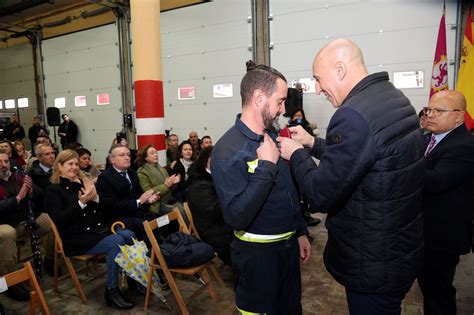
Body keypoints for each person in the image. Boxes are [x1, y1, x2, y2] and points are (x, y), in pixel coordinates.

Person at [278, 39, 425, 314]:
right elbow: (363, 155)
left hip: (372, 263)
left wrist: (297, 153)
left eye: (319, 80)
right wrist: (312, 143)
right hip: (398, 251)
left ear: (341, 69)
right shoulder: (392, 98)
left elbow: (320, 194)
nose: (318, 89)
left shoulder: (352, 115)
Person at [211, 60, 310, 314]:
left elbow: (288, 191)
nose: (283, 109)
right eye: (280, 101)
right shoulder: (227, 149)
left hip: (287, 250)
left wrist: (299, 230)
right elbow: (236, 216)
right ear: (258, 98)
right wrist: (266, 166)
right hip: (258, 258)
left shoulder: (273, 136)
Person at [44, 150, 136, 310]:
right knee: (117, 241)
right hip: (75, 237)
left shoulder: (81, 184)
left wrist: (95, 197)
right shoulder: (53, 190)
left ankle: (133, 278)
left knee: (129, 234)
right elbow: (61, 220)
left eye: (76, 164)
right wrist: (82, 202)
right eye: (70, 164)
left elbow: (101, 210)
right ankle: (111, 291)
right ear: (59, 166)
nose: (74, 167)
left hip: (95, 231)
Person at [417, 90, 474, 315]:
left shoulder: (464, 147)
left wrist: (404, 157)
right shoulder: (427, 138)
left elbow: (436, 181)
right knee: (429, 289)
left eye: (439, 111)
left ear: (459, 117)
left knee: (438, 294)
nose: (430, 115)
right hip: (423, 231)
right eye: (429, 109)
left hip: (442, 237)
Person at [0, 149, 55, 301]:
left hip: (26, 218)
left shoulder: (17, 175)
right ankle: (10, 283)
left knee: (50, 219)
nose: (3, 165)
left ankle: (50, 260)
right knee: (7, 234)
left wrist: (30, 191)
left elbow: (39, 193)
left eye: (5, 161)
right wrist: (18, 198)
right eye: (0, 162)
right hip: (4, 222)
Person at [96, 144, 159, 241]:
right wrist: (139, 201)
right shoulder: (105, 178)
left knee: (159, 221)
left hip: (136, 213)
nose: (127, 158)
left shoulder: (132, 172)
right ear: (112, 160)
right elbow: (111, 206)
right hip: (118, 218)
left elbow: (139, 195)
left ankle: (162, 251)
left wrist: (147, 200)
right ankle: (151, 253)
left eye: (128, 155)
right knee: (145, 227)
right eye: (122, 155)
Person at [188, 146, 233, 266]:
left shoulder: (214, 175)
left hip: (220, 224)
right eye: (214, 159)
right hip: (212, 230)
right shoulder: (200, 184)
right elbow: (214, 211)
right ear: (205, 161)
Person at [136, 145, 181, 216]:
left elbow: (171, 189)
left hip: (169, 200)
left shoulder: (162, 169)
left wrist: (173, 183)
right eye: (152, 153)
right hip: (157, 205)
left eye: (156, 152)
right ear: (145, 157)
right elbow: (148, 192)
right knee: (178, 210)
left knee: (182, 207)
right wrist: (166, 185)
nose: (156, 155)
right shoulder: (142, 172)